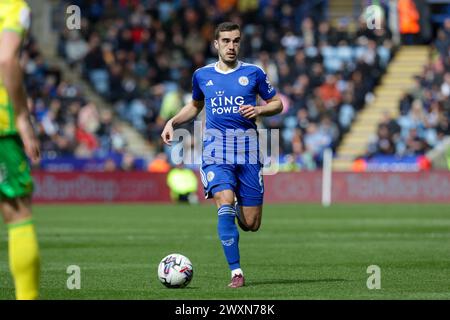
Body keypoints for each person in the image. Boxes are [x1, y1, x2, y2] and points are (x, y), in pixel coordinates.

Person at [161, 22, 283, 288]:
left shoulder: (254, 73)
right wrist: (173, 121)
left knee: (251, 224)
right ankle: (236, 272)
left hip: (249, 152)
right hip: (216, 151)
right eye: (226, 41)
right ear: (215, 44)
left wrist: (259, 111)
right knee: (223, 201)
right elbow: (195, 106)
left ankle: (239, 208)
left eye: (236, 41)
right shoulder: (202, 75)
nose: (231, 46)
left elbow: (277, 103)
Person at [0, 0, 41, 300]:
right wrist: (23, 117)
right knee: (16, 212)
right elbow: (5, 59)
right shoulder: (14, 8)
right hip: (2, 123)